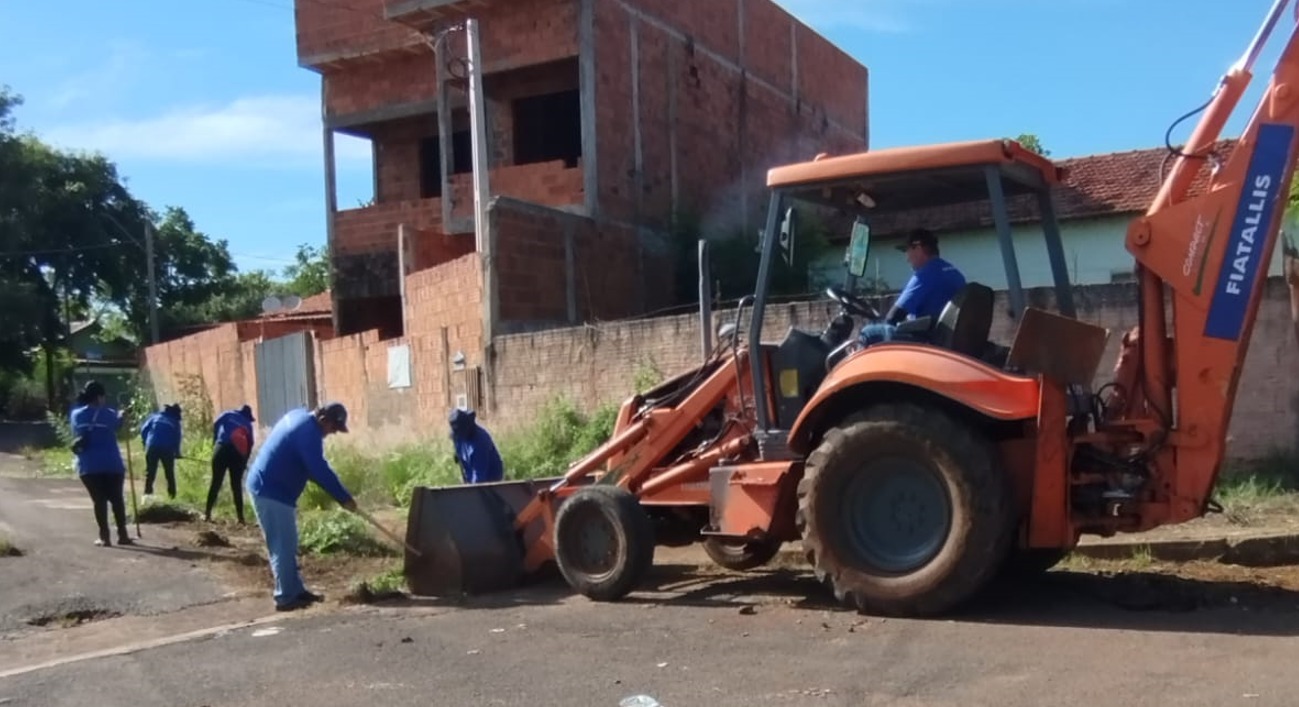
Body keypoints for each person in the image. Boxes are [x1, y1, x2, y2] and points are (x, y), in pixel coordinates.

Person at [244, 402, 358, 612]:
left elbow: (311, 469)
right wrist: (343, 498)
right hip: (270, 492)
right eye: (333, 428)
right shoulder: (307, 434)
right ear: (323, 420)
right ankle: (286, 597)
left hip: (273, 490)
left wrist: (341, 496)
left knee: (288, 542)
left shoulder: (300, 418)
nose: (332, 433)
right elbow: (319, 470)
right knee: (282, 545)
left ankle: (296, 590)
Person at [859, 228, 967, 346]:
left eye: (907, 250)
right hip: (948, 338)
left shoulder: (926, 274)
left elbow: (893, 317)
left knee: (868, 333)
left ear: (918, 248)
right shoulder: (955, 273)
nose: (907, 259)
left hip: (928, 339)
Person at [69, 381, 134, 547]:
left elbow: (77, 432)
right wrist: (123, 416)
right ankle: (123, 535)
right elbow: (118, 425)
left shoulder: (76, 415)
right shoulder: (111, 414)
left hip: (89, 466)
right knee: (117, 500)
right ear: (100, 396)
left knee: (99, 501)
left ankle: (104, 537)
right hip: (112, 464)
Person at [207, 404, 255, 524]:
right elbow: (250, 444)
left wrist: (215, 441)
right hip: (237, 454)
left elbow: (215, 425)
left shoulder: (227, 414)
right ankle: (240, 518)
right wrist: (244, 461)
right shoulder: (248, 425)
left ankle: (207, 513)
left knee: (216, 482)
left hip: (221, 449)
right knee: (236, 485)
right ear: (248, 416)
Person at [449, 408, 504, 484]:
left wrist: (470, 492)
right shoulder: (458, 437)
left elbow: (479, 478)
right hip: (471, 477)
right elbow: (458, 448)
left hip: (489, 484)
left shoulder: (480, 443)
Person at [139, 403, 182, 499]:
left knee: (150, 472)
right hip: (167, 449)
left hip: (152, 447)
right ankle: (172, 496)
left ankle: (147, 495)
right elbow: (177, 439)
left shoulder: (155, 417)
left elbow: (143, 430)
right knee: (169, 473)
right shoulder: (175, 422)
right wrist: (177, 453)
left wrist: (146, 442)